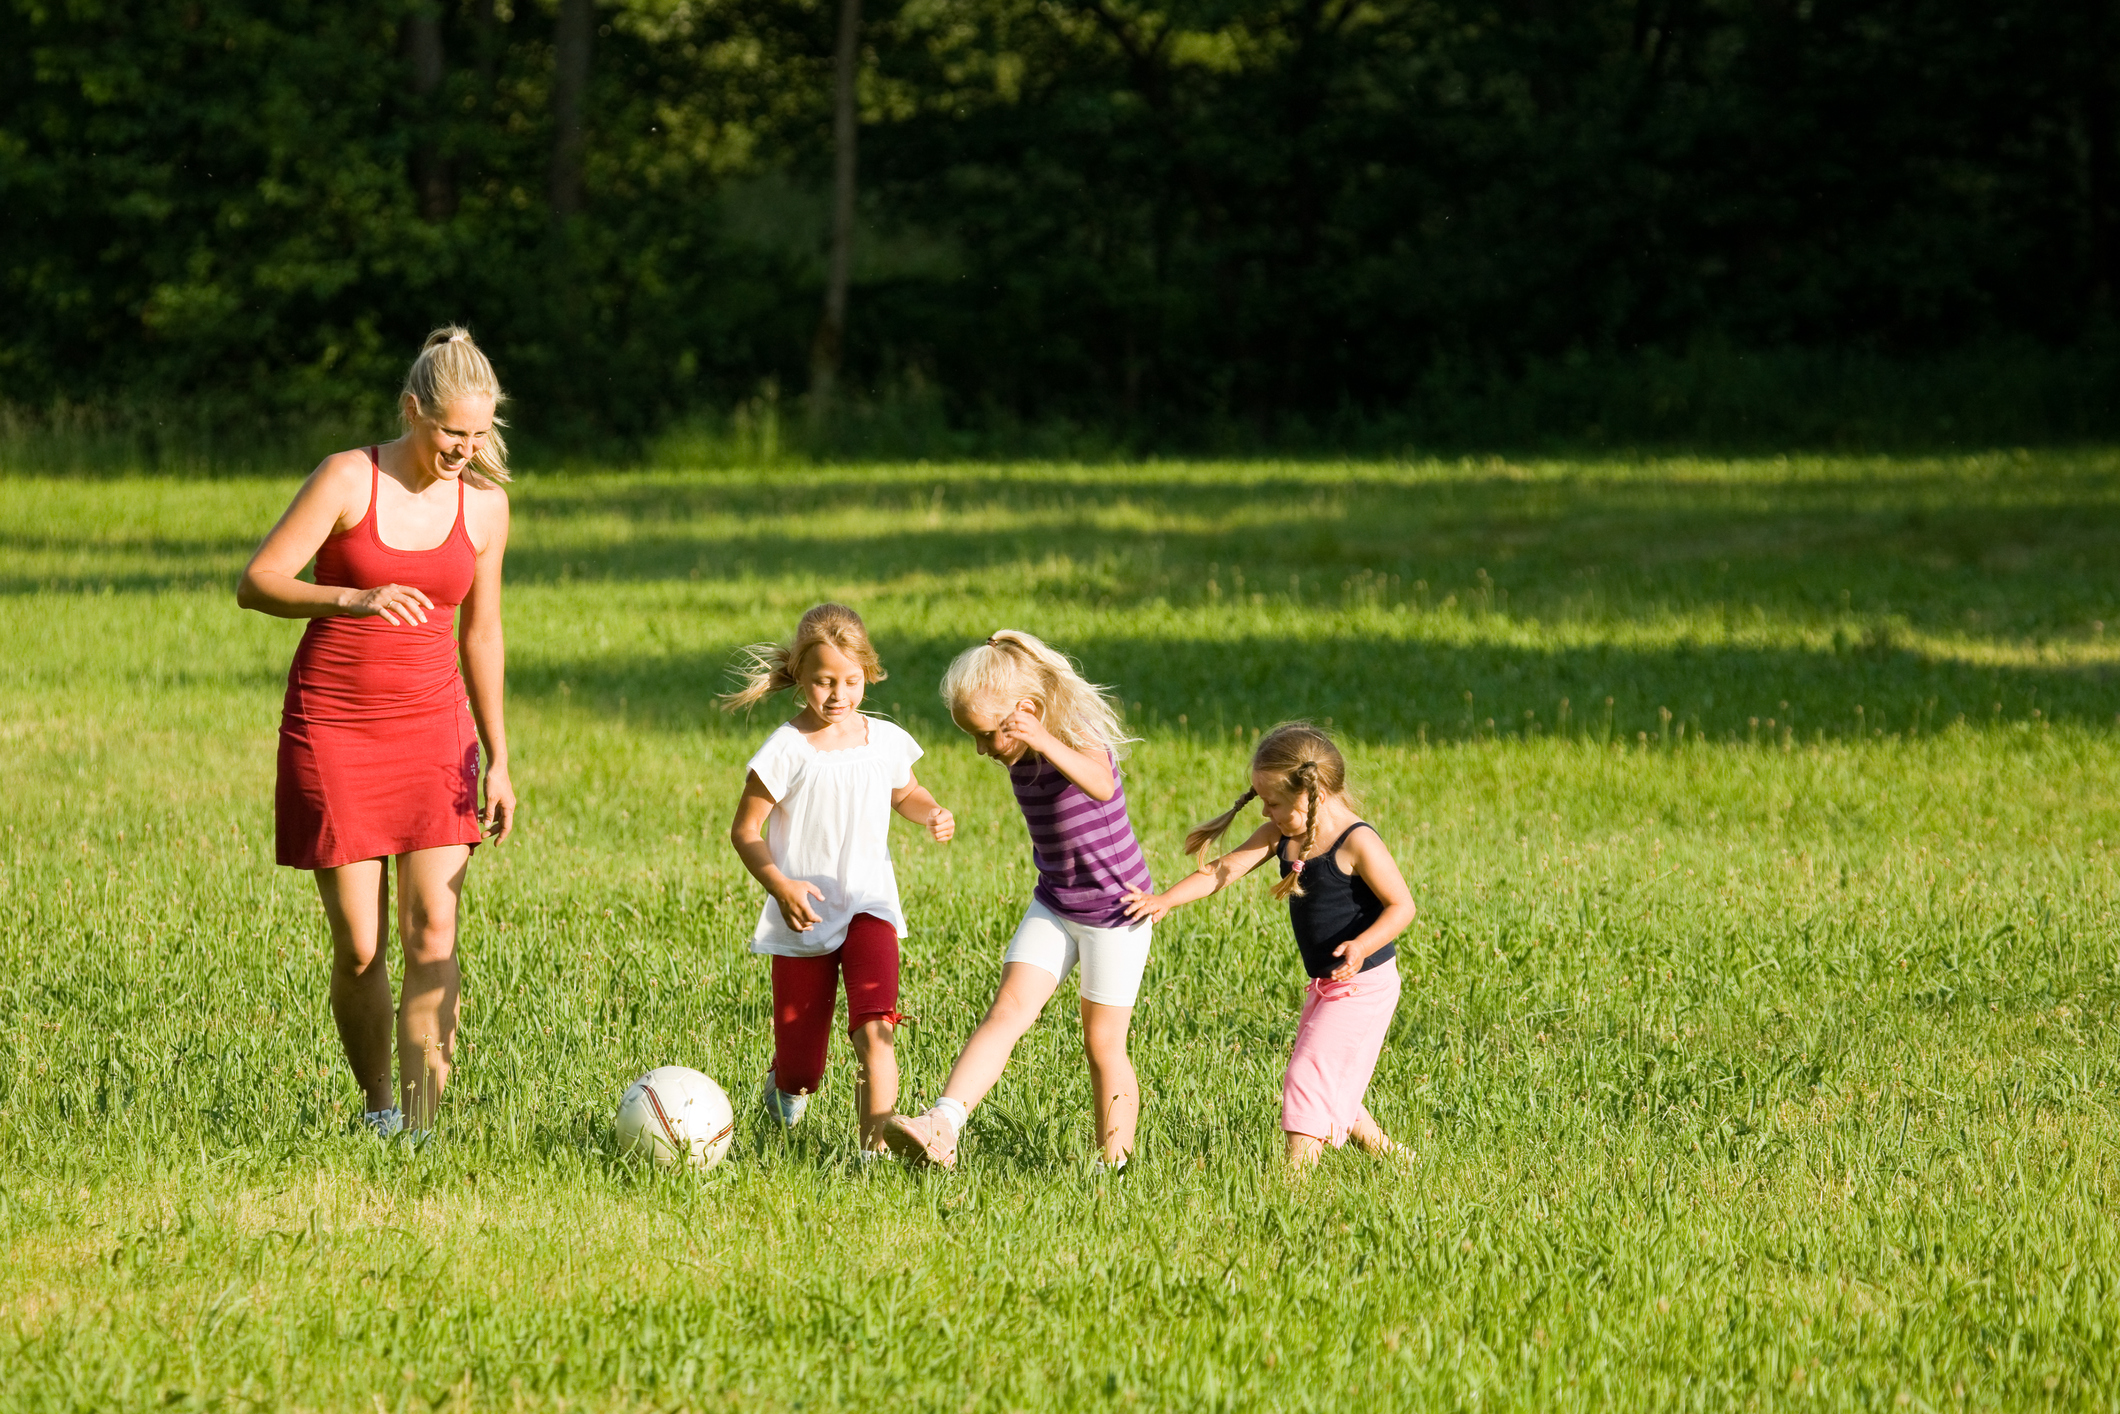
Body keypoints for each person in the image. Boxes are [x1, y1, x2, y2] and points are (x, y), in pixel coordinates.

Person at [237, 326, 515, 1142]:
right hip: (334, 726)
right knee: (360, 947)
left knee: (434, 929)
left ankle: (425, 1127)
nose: (466, 449)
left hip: (437, 734)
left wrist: (500, 758)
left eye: (479, 433)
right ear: (412, 411)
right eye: (451, 432)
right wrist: (349, 600)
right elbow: (257, 582)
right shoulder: (347, 477)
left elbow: (483, 633)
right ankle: (380, 1110)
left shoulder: (488, 506)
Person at [883, 631, 1153, 1171]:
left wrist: (1045, 737)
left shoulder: (1073, 734)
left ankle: (1114, 1167)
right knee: (1007, 1010)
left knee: (1102, 1042)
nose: (982, 750)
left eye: (985, 735)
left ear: (1026, 714)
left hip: (1116, 913)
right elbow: (1034, 681)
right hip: (1054, 903)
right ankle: (943, 1124)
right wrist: (1018, 648)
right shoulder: (1019, 748)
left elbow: (1101, 784)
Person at [1123, 722, 1414, 1171]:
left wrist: (1361, 945)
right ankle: (1393, 1156)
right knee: (1329, 1076)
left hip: (1365, 983)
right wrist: (1164, 900)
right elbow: (1223, 870)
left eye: (1273, 803)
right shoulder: (1285, 836)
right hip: (1328, 983)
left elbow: (1402, 906)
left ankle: (1295, 1182)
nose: (1264, 812)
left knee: (1309, 1074)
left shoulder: (1356, 842)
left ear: (1310, 796)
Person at [724, 604, 954, 1155]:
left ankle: (872, 1154)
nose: (838, 695)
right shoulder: (785, 750)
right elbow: (745, 829)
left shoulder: (886, 739)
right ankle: (782, 1096)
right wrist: (780, 884)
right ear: (799, 675)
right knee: (803, 1070)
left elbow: (905, 791)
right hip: (803, 914)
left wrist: (930, 812)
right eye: (824, 682)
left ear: (869, 674)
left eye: (851, 681)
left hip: (869, 903)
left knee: (876, 1028)